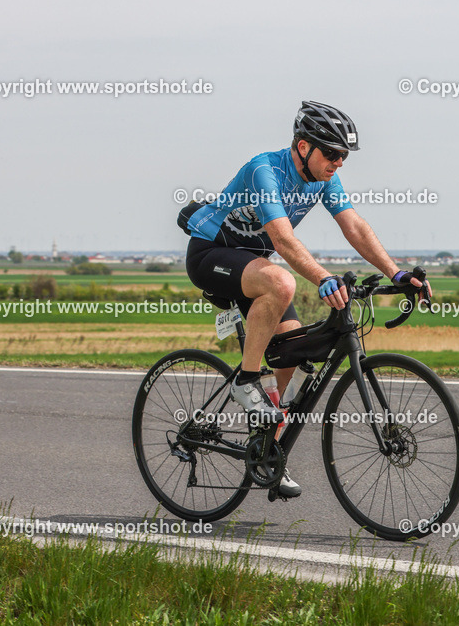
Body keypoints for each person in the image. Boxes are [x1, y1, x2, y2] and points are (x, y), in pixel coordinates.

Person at [179, 100, 430, 498]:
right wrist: (322, 277)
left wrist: (396, 273)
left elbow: (355, 227)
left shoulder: (323, 179)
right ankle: (245, 382)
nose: (338, 163)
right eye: (331, 153)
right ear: (302, 147)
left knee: (294, 356)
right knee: (282, 283)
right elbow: (281, 239)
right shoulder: (266, 170)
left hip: (251, 263)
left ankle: (266, 452)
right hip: (211, 252)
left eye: (343, 156)